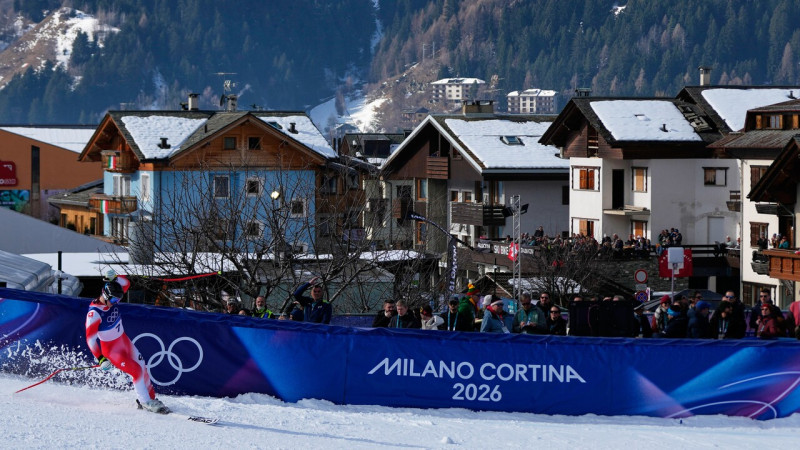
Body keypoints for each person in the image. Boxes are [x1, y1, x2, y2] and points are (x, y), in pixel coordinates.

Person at [85, 281, 166, 413]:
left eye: (118, 299)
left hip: (124, 341)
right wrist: (100, 359)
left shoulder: (112, 297)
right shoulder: (94, 314)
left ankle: (151, 399)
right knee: (136, 371)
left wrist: (114, 277)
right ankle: (145, 402)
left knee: (142, 366)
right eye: (113, 299)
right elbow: (91, 340)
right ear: (105, 295)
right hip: (112, 350)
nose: (116, 302)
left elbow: (126, 282)